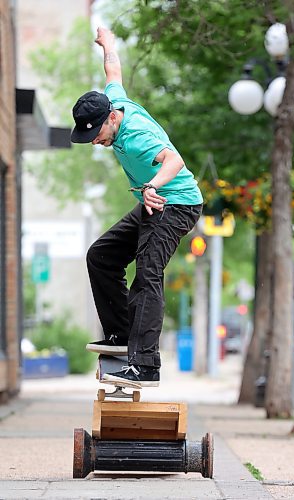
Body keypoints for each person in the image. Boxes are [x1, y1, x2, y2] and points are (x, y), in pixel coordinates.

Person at [71, 27, 203, 386]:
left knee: (147, 272)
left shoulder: (137, 136)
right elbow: (113, 72)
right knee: (101, 255)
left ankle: (145, 364)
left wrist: (151, 186)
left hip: (176, 203)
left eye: (96, 134)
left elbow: (173, 160)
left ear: (112, 118)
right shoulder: (113, 101)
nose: (96, 141)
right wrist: (108, 44)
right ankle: (121, 335)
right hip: (152, 203)